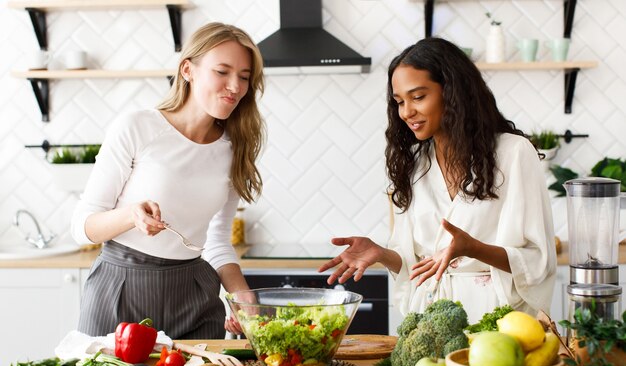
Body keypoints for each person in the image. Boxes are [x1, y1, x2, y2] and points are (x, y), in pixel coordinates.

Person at [319, 37, 556, 324]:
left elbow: (537, 260)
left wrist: (473, 248)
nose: (406, 112)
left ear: (453, 92)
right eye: (399, 102)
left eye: (418, 97)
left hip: (498, 320)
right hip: (431, 318)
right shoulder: (416, 165)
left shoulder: (513, 153)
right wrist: (381, 253)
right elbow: (414, 265)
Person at [71, 22, 265, 338]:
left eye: (244, 77)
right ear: (188, 69)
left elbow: (216, 241)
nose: (235, 86)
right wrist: (130, 216)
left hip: (195, 295)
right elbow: (82, 227)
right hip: (121, 290)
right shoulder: (138, 127)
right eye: (222, 72)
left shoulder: (234, 149)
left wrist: (240, 294)